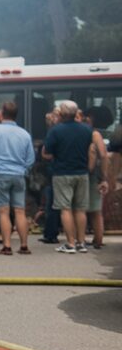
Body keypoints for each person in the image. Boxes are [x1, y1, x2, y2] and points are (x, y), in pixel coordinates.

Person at [0, 102, 34, 255]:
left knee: (3, 211)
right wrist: (23, 170)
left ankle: (7, 246)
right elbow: (30, 158)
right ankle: (24, 246)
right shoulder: (24, 133)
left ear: (1, 113)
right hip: (18, 175)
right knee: (20, 211)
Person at [42, 100, 93, 253]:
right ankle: (81, 243)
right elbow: (90, 149)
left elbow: (47, 153)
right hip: (82, 173)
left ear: (62, 114)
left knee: (65, 209)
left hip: (62, 173)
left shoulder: (56, 131)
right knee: (80, 209)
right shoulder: (87, 130)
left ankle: (70, 243)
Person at [84, 106, 112, 249]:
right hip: (96, 174)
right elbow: (104, 156)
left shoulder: (93, 134)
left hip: (89, 174)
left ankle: (81, 239)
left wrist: (103, 178)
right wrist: (104, 177)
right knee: (96, 210)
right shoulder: (100, 134)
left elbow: (103, 155)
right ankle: (98, 240)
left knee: (82, 209)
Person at [37, 111, 62, 244]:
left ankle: (50, 234)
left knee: (51, 204)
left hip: (54, 172)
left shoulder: (53, 133)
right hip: (63, 171)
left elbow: (46, 154)